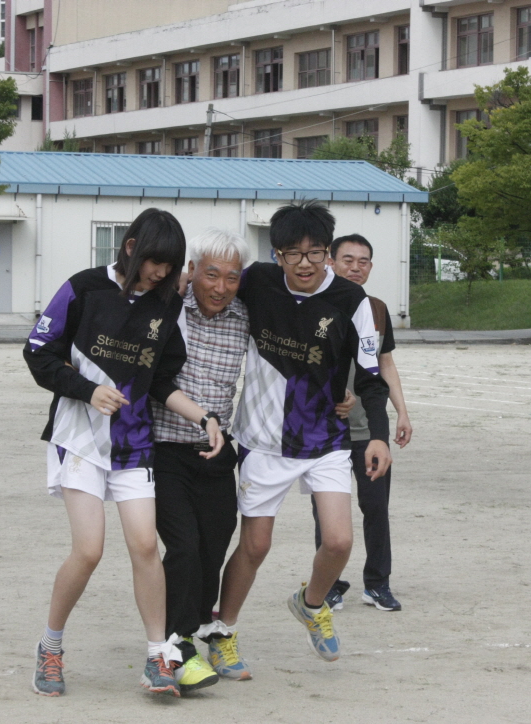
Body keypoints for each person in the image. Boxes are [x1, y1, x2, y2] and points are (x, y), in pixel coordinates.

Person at [24, 208, 224, 698]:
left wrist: (204, 417)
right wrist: (86, 389)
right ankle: (50, 648)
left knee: (144, 547)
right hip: (81, 441)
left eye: (170, 267)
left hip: (135, 446)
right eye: (156, 262)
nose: (161, 273)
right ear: (131, 247)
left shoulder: (165, 307)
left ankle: (159, 657)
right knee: (89, 550)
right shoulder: (83, 288)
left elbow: (160, 381)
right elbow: (37, 353)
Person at [208, 200, 391, 674]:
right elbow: (212, 289)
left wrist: (378, 436)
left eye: (316, 252)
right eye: (294, 253)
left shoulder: (353, 302)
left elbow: (371, 376)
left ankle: (311, 604)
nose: (305, 263)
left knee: (338, 542)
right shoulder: (256, 282)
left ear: (329, 253)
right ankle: (222, 632)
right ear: (277, 255)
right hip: (261, 440)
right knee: (256, 546)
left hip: (326, 439)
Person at [148, 228, 249, 690]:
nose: (221, 287)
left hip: (217, 453)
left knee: (213, 546)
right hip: (166, 447)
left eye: (232, 277)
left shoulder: (245, 316)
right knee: (183, 548)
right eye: (211, 274)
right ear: (192, 271)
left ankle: (200, 630)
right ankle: (174, 644)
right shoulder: (170, 309)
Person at [312, 234, 413, 613]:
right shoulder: (314, 305)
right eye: (348, 260)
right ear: (330, 263)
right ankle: (331, 585)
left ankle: (377, 583)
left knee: (376, 507)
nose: (356, 267)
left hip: (369, 428)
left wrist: (401, 411)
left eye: (364, 261)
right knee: (327, 511)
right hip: (327, 428)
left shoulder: (378, 309)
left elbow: (385, 365)